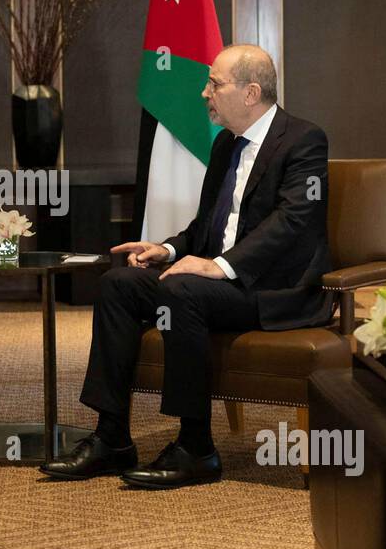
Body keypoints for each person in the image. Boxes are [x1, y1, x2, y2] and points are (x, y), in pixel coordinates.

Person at [41, 44, 332, 489]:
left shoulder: (304, 141)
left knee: (182, 292)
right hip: (220, 283)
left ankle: (196, 448)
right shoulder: (224, 147)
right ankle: (112, 437)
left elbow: (294, 222)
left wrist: (221, 266)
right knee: (119, 283)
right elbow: (205, 228)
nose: (204, 92)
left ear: (251, 92)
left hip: (271, 290)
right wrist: (169, 251)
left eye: (214, 83)